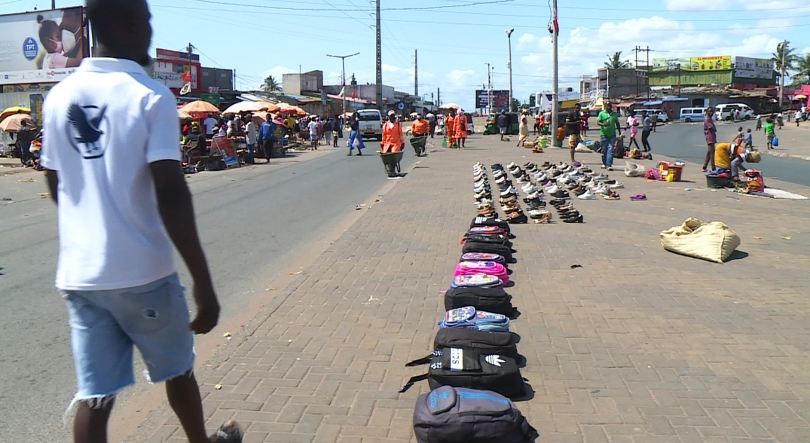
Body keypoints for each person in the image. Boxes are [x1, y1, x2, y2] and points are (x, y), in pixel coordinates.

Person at [39, 0, 242, 442]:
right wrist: (202, 283)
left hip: (81, 277)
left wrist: (88, 229)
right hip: (144, 274)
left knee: (96, 396)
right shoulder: (149, 96)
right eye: (148, 21)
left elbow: (56, 183)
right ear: (132, 23)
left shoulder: (59, 98)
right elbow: (171, 193)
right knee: (178, 371)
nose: (150, 32)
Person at [597, 102, 621, 171]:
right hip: (603, 134)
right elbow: (598, 122)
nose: (608, 107)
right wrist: (604, 124)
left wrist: (619, 132)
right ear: (605, 106)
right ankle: (604, 163)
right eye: (607, 106)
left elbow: (617, 123)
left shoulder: (615, 114)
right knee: (604, 150)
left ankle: (609, 165)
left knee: (610, 150)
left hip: (612, 135)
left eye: (610, 106)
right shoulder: (601, 113)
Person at [702, 107, 717, 171]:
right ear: (707, 112)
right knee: (712, 153)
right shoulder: (707, 120)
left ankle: (704, 166)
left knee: (709, 152)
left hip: (712, 137)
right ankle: (713, 168)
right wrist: (714, 128)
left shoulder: (710, 119)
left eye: (712, 112)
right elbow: (712, 128)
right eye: (710, 111)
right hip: (710, 137)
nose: (711, 113)